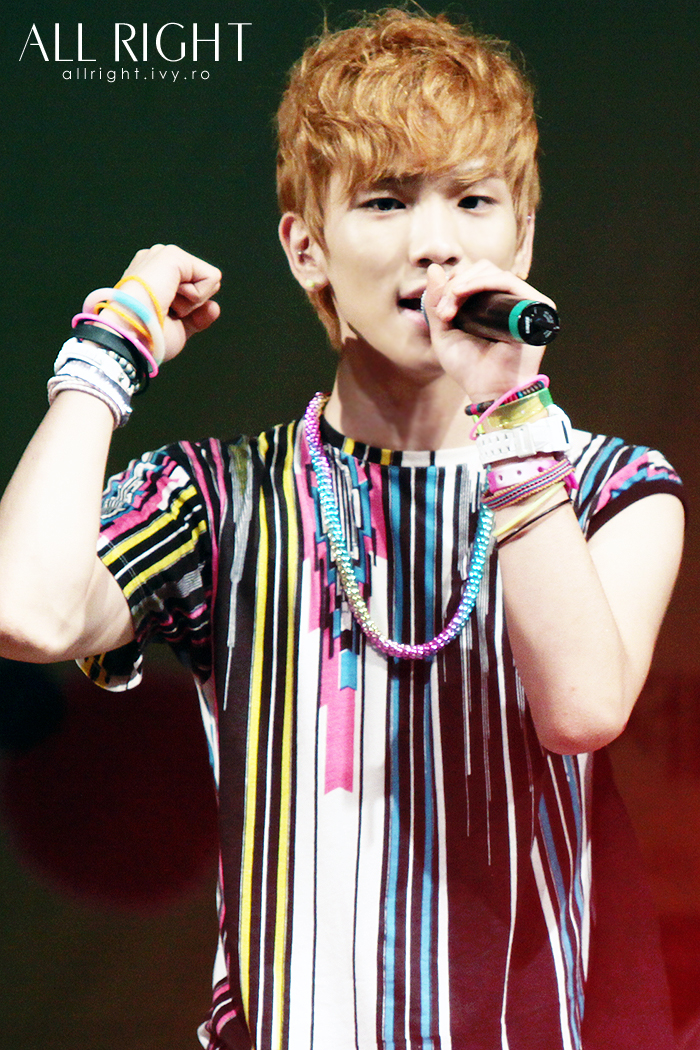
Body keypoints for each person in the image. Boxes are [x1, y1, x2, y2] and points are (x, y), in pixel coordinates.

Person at [0, 9, 685, 1050]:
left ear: (522, 236)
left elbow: (582, 708)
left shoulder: (612, 486)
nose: (435, 242)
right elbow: (28, 612)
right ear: (306, 248)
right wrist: (108, 355)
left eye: (472, 200)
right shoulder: (215, 498)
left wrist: (509, 412)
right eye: (385, 201)